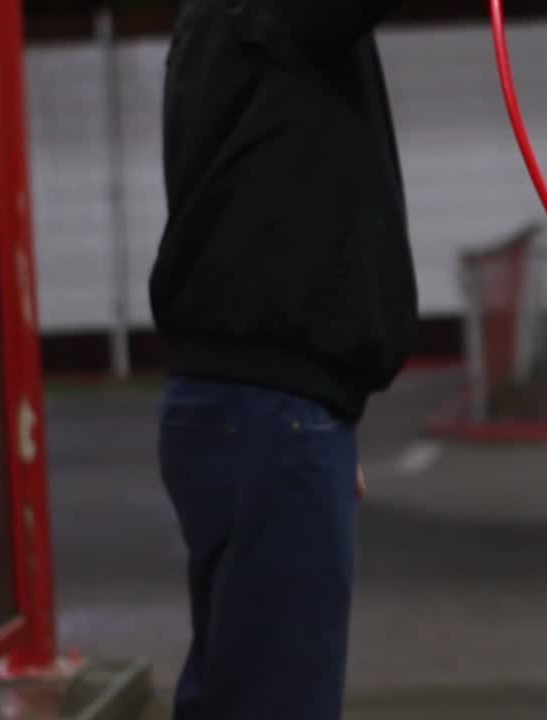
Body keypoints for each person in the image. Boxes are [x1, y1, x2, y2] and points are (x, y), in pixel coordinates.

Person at [148, 2, 416, 718]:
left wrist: (311, 404)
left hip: (259, 408)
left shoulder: (222, 29)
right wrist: (293, 416)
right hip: (269, 416)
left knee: (234, 693)